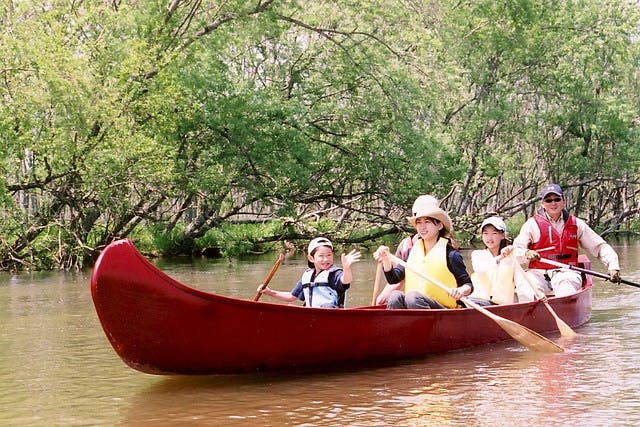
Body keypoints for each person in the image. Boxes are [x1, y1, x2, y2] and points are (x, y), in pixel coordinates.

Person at [513, 183, 621, 301]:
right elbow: (516, 250)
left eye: (557, 199)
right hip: (537, 273)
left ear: (563, 201)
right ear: (543, 204)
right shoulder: (531, 224)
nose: (553, 203)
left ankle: (563, 310)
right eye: (549, 200)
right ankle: (529, 316)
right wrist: (526, 253)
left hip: (567, 272)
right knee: (525, 288)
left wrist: (613, 266)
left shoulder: (576, 224)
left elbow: (599, 247)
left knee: (565, 286)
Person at [373, 195, 473, 309]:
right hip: (417, 304)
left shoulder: (450, 254)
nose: (422, 227)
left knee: (412, 297)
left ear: (439, 225)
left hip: (442, 309)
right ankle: (400, 326)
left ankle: (421, 325)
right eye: (419, 222)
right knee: (395, 296)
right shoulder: (413, 250)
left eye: (427, 222)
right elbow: (393, 279)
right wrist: (386, 259)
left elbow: (468, 285)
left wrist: (461, 290)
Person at [258, 237, 362, 308]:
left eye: (329, 255)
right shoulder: (307, 276)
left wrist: (347, 268)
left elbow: (345, 281)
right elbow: (291, 297)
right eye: (321, 256)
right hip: (312, 318)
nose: (326, 259)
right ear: (311, 258)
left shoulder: (334, 274)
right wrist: (270, 292)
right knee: (291, 307)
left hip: (330, 317)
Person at [469, 216, 517, 305]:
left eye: (494, 233)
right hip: (478, 302)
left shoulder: (512, 257)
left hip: (502, 305)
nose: (489, 238)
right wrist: (500, 257)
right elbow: (479, 269)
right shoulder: (477, 254)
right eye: (486, 233)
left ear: (502, 235)